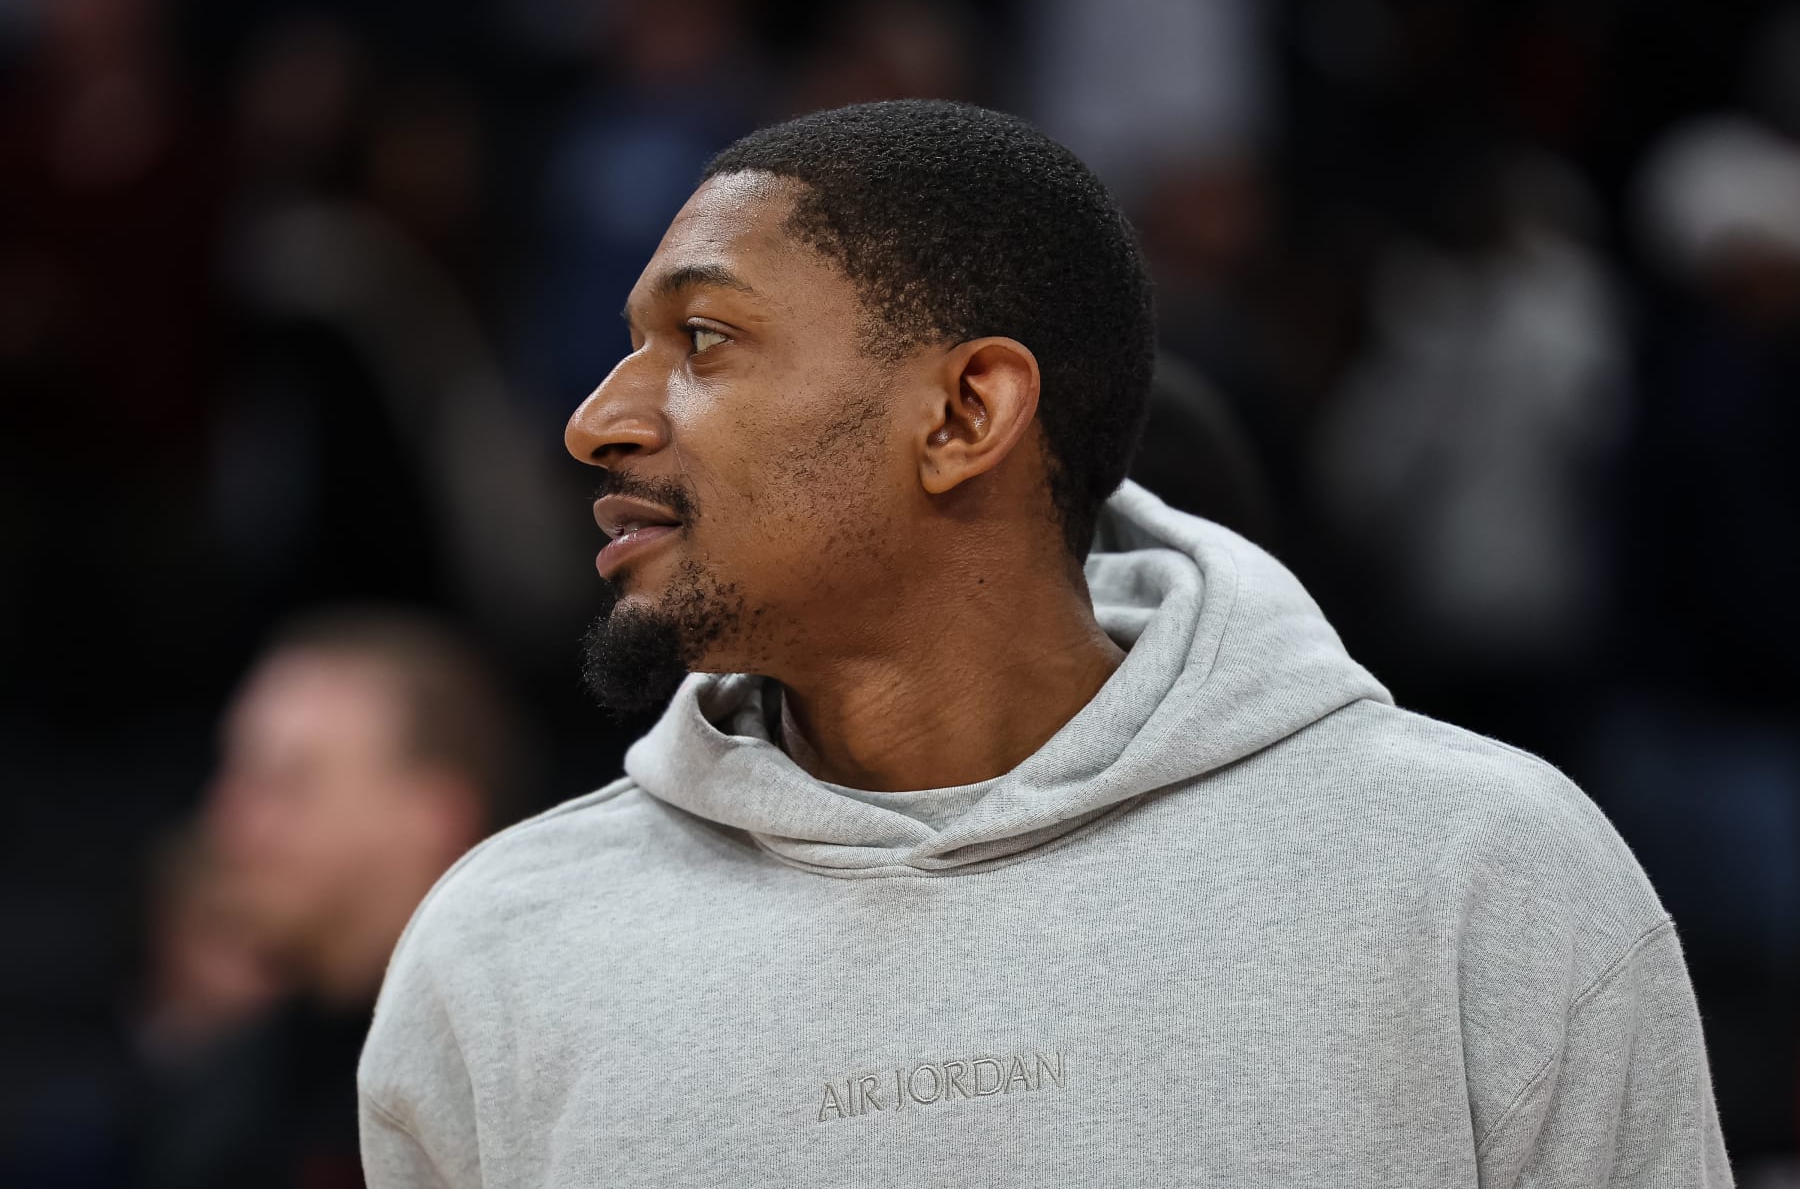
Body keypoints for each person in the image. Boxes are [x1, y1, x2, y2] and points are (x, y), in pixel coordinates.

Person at [357, 100, 1730, 1186]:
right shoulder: (497, 957)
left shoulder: (1481, 875)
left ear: (966, 413)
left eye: (704, 339)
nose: (597, 420)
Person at [178, 606, 527, 1188]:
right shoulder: (217, 1103)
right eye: (234, 774)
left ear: (432, 815)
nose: (229, 823)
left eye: (287, 782)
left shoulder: (535, 1084)